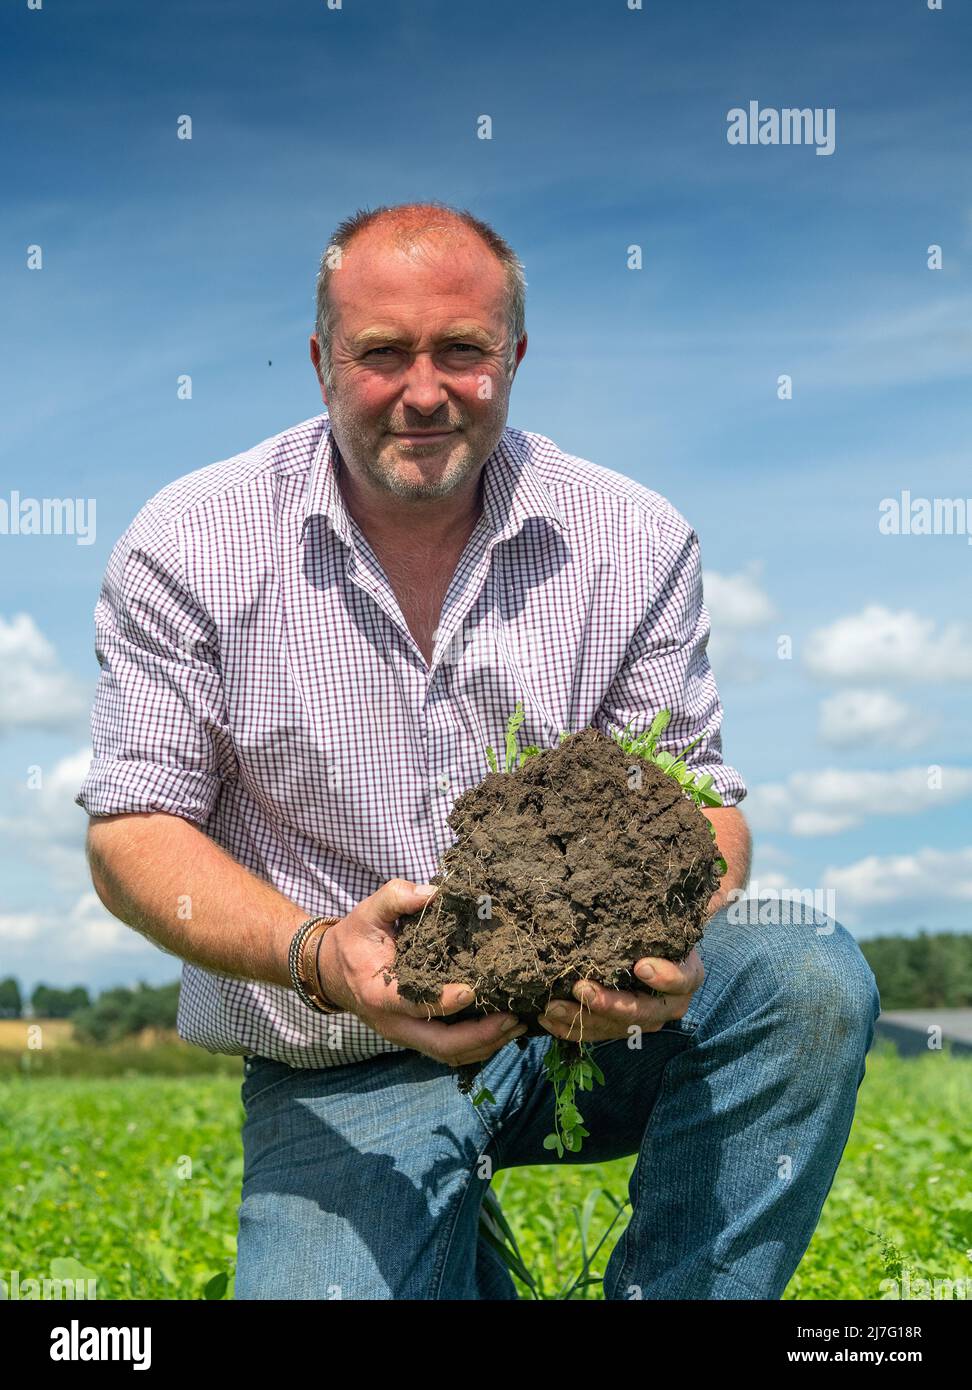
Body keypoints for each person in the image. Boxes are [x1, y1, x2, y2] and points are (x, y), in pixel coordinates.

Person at [76, 200, 880, 1300]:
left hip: (582, 1024)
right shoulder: (190, 543)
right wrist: (324, 957)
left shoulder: (630, 537)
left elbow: (703, 800)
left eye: (463, 350)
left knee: (805, 973)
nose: (423, 390)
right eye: (380, 354)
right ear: (320, 361)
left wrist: (657, 940)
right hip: (345, 1054)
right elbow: (134, 829)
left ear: (514, 357)